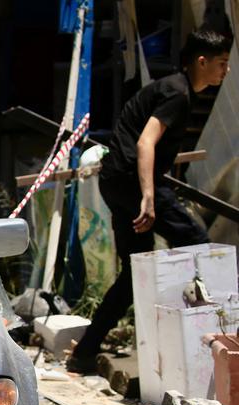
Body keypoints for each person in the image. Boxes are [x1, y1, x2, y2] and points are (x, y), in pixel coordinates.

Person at [67, 29, 231, 374]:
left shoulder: (175, 88)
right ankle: (207, 339)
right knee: (198, 243)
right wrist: (149, 197)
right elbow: (146, 143)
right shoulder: (178, 93)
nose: (226, 70)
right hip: (129, 183)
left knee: (134, 271)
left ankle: (85, 352)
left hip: (117, 180)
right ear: (202, 62)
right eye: (221, 63)